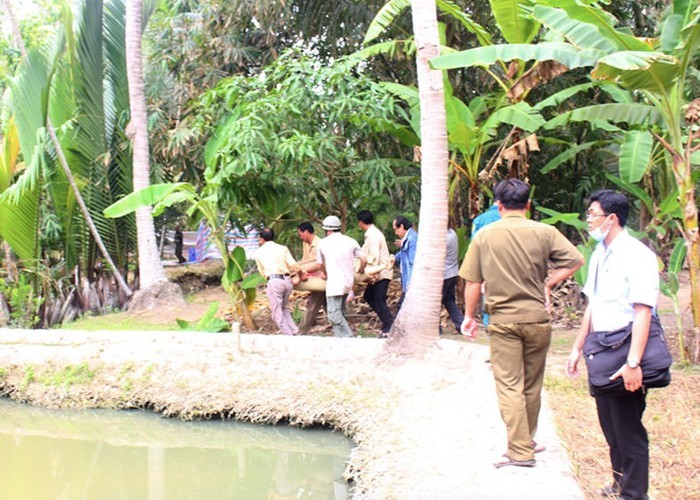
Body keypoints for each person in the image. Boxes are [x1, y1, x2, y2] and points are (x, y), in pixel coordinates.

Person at [459, 179, 584, 469]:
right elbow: (576, 260)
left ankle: (519, 451)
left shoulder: (484, 235)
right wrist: (549, 282)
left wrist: (469, 316)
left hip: (503, 321)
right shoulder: (545, 231)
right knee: (531, 384)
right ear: (528, 205)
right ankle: (527, 440)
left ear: (498, 205)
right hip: (538, 319)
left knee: (510, 385)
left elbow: (473, 282)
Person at [566, 190, 659, 500]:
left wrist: (633, 363)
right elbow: (592, 304)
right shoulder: (599, 254)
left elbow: (643, 310)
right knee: (610, 425)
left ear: (612, 218)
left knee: (628, 428)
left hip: (626, 346)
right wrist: (578, 347)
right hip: (602, 347)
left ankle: (634, 494)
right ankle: (620, 483)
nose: (589, 219)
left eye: (592, 214)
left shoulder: (637, 255)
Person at [316, 215, 367, 338]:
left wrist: (325, 273)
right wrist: (360, 270)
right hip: (348, 282)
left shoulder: (323, 243)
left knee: (333, 314)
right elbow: (364, 260)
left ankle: (349, 337)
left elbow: (319, 265)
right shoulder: (350, 241)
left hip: (334, 283)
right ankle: (340, 338)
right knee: (341, 311)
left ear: (327, 230)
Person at [254, 227, 304, 336]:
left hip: (274, 281)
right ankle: (295, 332)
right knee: (284, 308)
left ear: (261, 239)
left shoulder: (258, 252)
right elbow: (293, 264)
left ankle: (289, 337)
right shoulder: (282, 248)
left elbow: (262, 271)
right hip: (287, 280)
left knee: (277, 312)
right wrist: (300, 274)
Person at [357, 210, 394, 336]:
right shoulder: (372, 234)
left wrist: (372, 275)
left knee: (378, 300)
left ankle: (389, 324)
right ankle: (387, 322)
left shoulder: (373, 236)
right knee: (369, 296)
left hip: (381, 273)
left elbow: (374, 257)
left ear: (361, 222)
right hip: (380, 272)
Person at [472, 203, 501, 325]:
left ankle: (488, 321)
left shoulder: (480, 220)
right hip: (510, 262)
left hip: (487, 263)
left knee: (487, 292)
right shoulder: (514, 219)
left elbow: (474, 244)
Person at [296, 222, 326, 334]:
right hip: (312, 279)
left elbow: (320, 264)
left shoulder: (320, 244)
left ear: (307, 232)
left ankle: (302, 331)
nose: (300, 237)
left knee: (312, 305)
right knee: (327, 306)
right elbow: (305, 262)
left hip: (321, 279)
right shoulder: (305, 244)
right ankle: (341, 329)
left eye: (300, 234)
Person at [441, 227, 464, 334]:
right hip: (453, 273)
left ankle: (435, 328)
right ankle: (461, 325)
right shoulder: (452, 233)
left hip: (445, 274)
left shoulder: (444, 238)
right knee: (449, 301)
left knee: (435, 303)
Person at [392, 215, 418, 309]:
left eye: (396, 229)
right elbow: (404, 253)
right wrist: (394, 258)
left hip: (410, 279)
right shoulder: (408, 238)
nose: (395, 232)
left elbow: (412, 262)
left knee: (402, 307)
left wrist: (409, 284)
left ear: (402, 226)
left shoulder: (412, 239)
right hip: (406, 276)